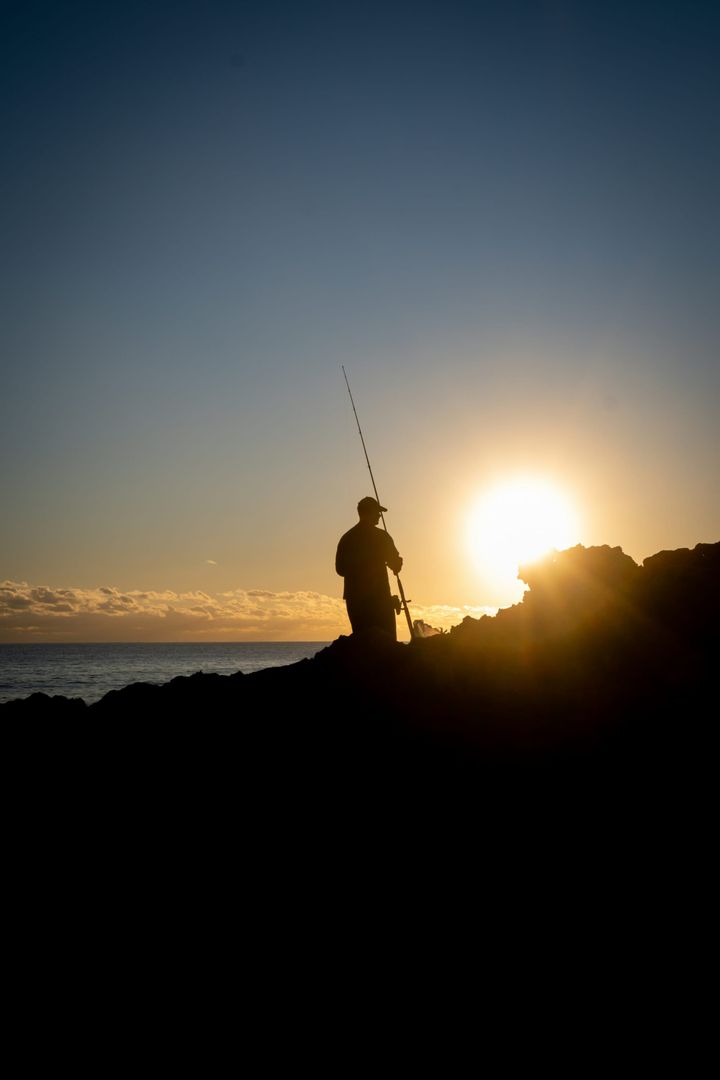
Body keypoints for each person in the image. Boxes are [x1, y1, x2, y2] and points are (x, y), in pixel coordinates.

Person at [335, 496, 403, 640]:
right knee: (387, 643)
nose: (379, 515)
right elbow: (395, 565)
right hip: (380, 600)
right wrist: (396, 564)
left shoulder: (347, 538)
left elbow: (340, 569)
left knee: (362, 642)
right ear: (370, 512)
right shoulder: (382, 536)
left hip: (355, 601)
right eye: (377, 512)